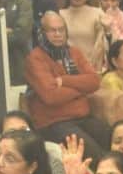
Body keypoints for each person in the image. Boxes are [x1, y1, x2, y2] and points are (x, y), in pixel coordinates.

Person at [25, 12, 108, 160]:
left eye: (61, 30)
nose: (58, 34)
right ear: (42, 33)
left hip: (83, 117)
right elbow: (51, 96)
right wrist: (81, 89)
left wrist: (64, 81)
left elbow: (95, 81)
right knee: (94, 154)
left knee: (113, 137)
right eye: (52, 30)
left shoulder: (74, 52)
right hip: (53, 123)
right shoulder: (35, 58)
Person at [59, 0, 112, 71]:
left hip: (93, 68)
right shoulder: (60, 15)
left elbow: (104, 45)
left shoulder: (98, 13)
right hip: (67, 68)